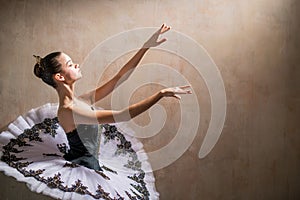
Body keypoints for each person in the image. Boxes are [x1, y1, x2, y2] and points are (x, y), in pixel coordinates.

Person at [0, 24, 192, 200]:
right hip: (85, 172)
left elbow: (119, 78)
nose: (76, 64)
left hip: (96, 167)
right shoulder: (70, 110)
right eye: (70, 64)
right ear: (59, 77)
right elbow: (123, 115)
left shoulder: (81, 100)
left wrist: (145, 47)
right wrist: (160, 94)